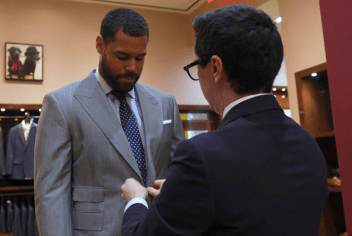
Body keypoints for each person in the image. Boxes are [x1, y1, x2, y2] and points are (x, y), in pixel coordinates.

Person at [121, 4, 329, 236]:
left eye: (196, 65)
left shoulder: (201, 156)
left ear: (216, 68)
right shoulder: (309, 145)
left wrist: (136, 201)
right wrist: (183, 197)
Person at [34, 8, 185, 236]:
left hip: (156, 228)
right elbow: (51, 194)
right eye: (122, 57)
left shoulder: (165, 103)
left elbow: (178, 172)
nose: (132, 67)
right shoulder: (62, 105)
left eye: (140, 58)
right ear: (100, 45)